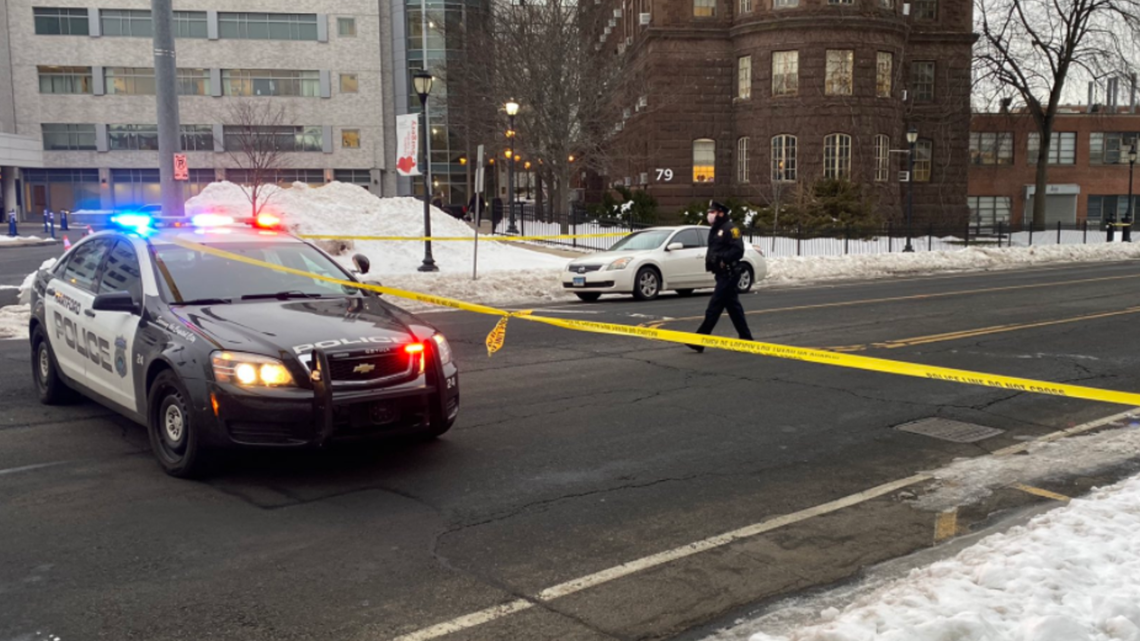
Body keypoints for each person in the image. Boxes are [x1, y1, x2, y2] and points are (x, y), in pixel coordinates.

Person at [688, 201, 753, 353]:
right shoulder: (716, 229)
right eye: (709, 212)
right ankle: (747, 339)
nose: (710, 215)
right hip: (721, 274)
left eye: (713, 212)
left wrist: (722, 258)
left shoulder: (731, 229)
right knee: (734, 308)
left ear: (721, 213)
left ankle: (699, 340)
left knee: (714, 307)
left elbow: (738, 250)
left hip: (729, 274)